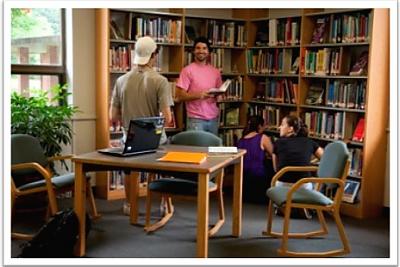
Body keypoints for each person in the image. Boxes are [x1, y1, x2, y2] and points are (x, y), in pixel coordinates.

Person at [109, 36, 174, 215]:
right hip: (154, 139)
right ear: (154, 55)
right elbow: (167, 118)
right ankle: (164, 204)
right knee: (165, 167)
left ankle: (129, 204)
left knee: (130, 170)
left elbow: (112, 115)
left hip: (129, 137)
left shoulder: (121, 81)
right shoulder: (160, 81)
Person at [175, 36, 223, 136]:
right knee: (197, 150)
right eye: (198, 48)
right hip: (195, 120)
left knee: (212, 151)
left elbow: (220, 93)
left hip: (213, 119)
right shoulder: (187, 70)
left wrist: (219, 96)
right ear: (193, 51)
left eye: (204, 48)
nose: (201, 51)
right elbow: (179, 96)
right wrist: (199, 95)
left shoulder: (215, 72)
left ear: (209, 52)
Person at [273, 115, 324, 190]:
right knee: (317, 183)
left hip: (282, 186)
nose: (279, 127)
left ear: (290, 129)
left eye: (282, 125)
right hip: (303, 186)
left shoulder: (278, 142)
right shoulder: (309, 142)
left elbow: (276, 169)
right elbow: (325, 159)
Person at [237, 116, 274, 203]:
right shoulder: (262, 137)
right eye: (264, 125)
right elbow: (273, 153)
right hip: (258, 178)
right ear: (260, 126)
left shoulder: (241, 140)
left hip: (243, 178)